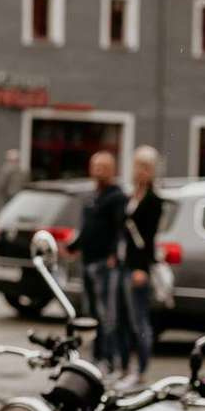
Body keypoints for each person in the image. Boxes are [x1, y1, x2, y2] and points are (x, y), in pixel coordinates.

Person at [68, 150, 125, 373]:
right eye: (95, 166)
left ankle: (109, 359)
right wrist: (73, 247)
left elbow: (120, 229)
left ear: (112, 170)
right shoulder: (92, 197)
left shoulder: (116, 197)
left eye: (103, 166)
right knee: (91, 313)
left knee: (106, 314)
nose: (98, 170)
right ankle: (96, 356)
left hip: (104, 263)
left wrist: (113, 255)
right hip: (88, 260)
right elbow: (86, 229)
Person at [112, 145, 163, 388]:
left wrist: (142, 268)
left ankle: (140, 370)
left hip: (137, 267)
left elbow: (149, 238)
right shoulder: (130, 196)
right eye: (137, 165)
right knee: (120, 318)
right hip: (122, 264)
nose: (140, 171)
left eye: (146, 167)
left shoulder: (153, 201)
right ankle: (123, 368)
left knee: (138, 320)